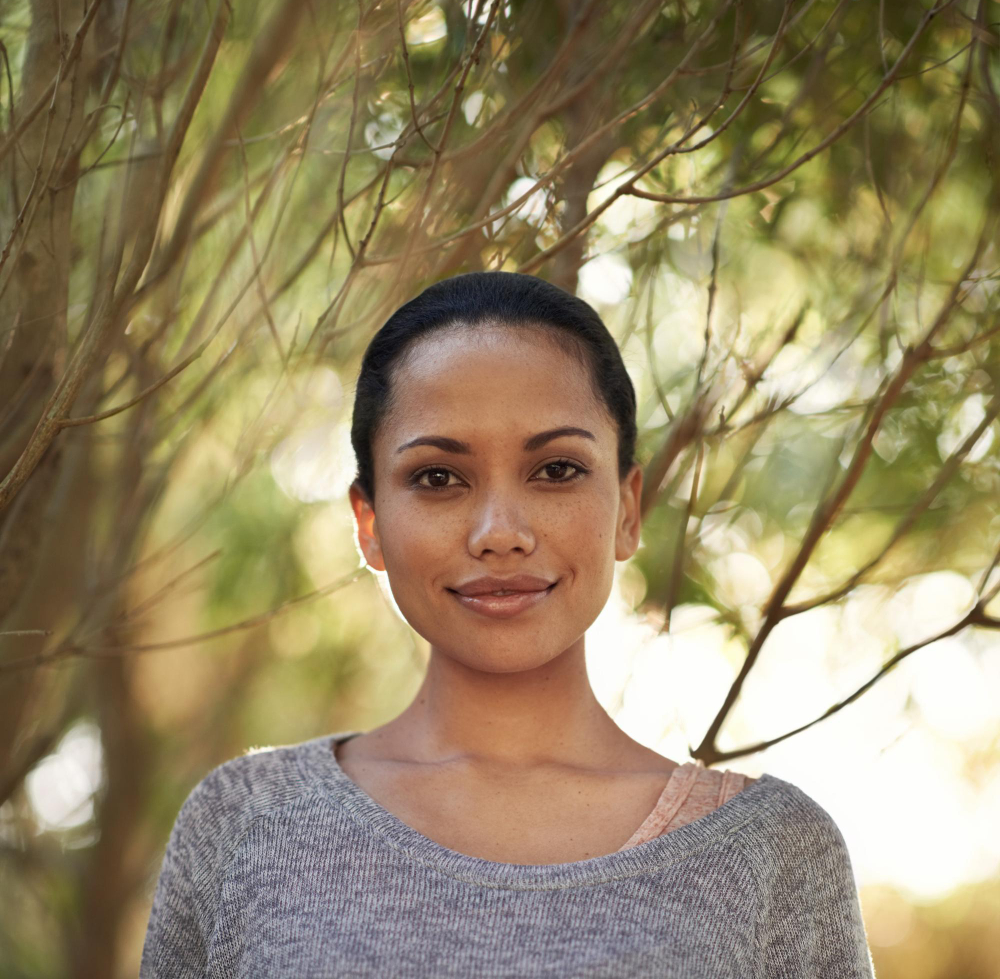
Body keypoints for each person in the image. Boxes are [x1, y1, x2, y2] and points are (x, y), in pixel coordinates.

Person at [140, 271, 876, 977]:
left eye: (555, 470)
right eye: (438, 478)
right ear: (368, 524)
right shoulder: (247, 822)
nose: (500, 532)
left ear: (626, 510)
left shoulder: (774, 853)